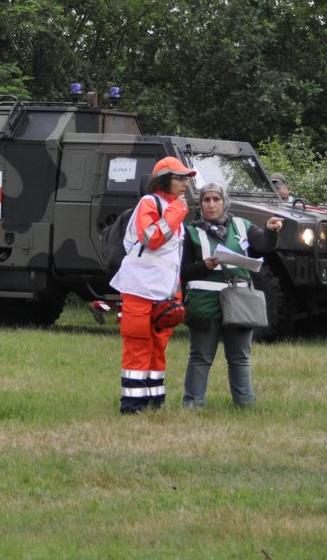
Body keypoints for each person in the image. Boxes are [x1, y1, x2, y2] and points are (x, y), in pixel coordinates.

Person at [180, 181, 282, 407]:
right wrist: (203, 267)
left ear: (225, 202)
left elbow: (265, 245)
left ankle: (245, 405)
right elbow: (182, 271)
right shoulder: (190, 232)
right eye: (207, 200)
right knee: (200, 359)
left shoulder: (242, 226)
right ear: (200, 204)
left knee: (240, 358)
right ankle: (192, 405)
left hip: (239, 303)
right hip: (204, 306)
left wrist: (270, 230)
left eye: (216, 199)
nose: (212, 204)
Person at [109, 156, 194, 413]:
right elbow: (152, 238)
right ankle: (133, 405)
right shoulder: (150, 203)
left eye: (186, 179)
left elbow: (172, 259)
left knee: (158, 346)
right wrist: (177, 211)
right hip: (139, 289)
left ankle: (155, 402)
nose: (185, 185)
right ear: (165, 180)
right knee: (138, 344)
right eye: (180, 179)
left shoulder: (171, 208)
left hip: (163, 291)